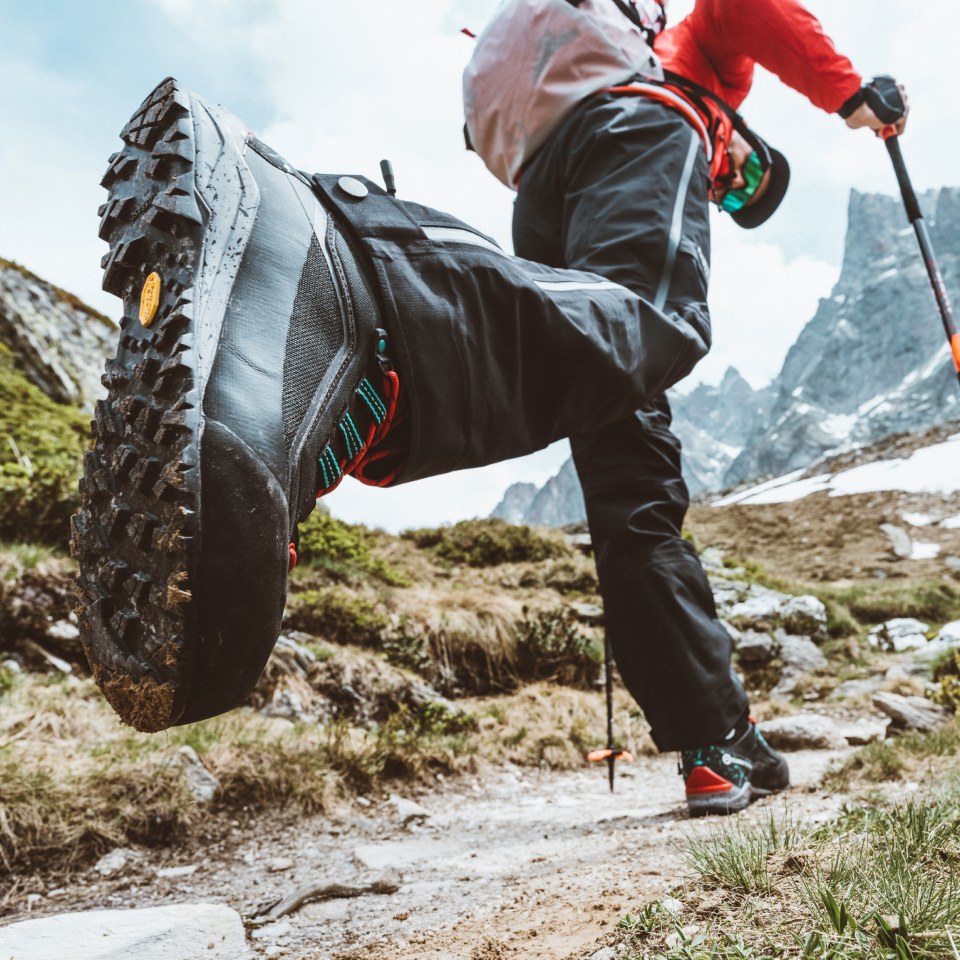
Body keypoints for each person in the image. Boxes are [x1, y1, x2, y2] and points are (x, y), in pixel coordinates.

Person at [72, 1, 904, 816]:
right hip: (634, 135)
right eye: (741, 173)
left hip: (543, 187)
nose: (734, 183)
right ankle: (365, 303)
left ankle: (717, 735)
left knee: (631, 478)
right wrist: (851, 93)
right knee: (655, 321)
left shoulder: (577, 70)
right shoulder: (679, 66)